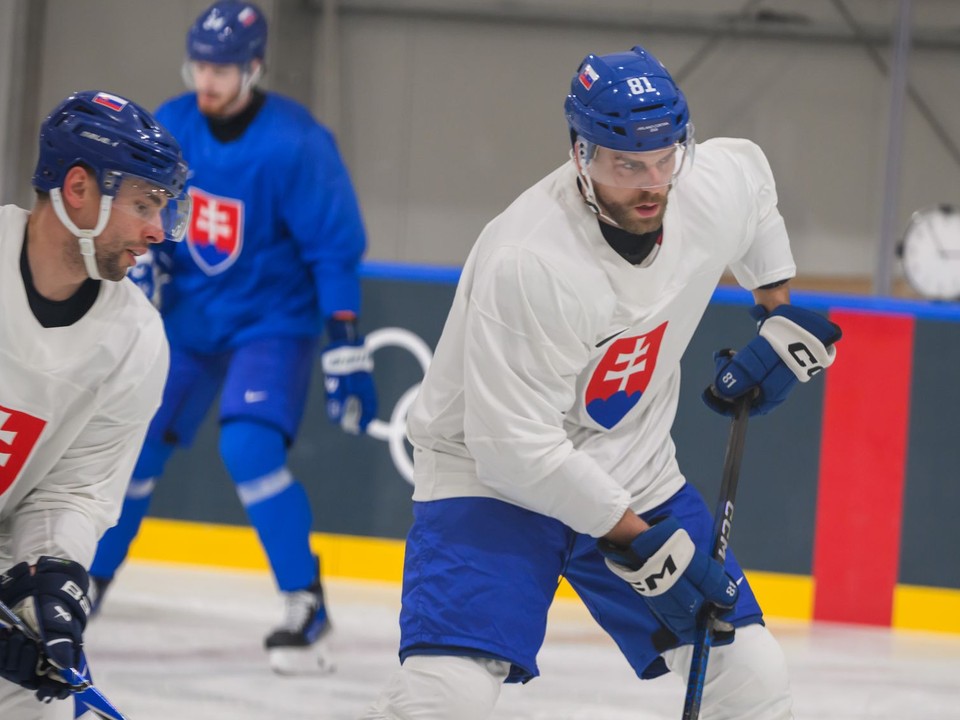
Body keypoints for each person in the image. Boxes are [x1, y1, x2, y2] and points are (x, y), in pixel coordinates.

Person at [362, 45, 842, 720]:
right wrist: (639, 539)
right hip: (490, 478)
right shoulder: (531, 260)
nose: (652, 183)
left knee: (752, 676)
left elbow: (754, 187)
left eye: (665, 158)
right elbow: (514, 449)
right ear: (581, 154)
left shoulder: (703, 182)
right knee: (451, 695)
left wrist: (776, 311)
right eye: (626, 164)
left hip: (632, 465)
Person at [87, 0, 375, 676]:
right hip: (188, 321)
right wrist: (147, 251)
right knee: (134, 452)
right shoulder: (175, 122)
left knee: (248, 448)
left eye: (220, 69)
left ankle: (304, 599)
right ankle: (87, 583)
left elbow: (334, 249)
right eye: (199, 67)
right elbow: (138, 203)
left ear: (253, 67)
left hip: (269, 321)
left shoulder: (297, 143)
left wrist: (344, 337)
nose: (206, 82)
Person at [0, 90, 190, 720]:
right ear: (77, 188)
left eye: (162, 208)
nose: (158, 232)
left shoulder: (136, 339)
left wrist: (50, 577)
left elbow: (74, 492)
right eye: (143, 204)